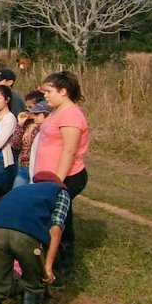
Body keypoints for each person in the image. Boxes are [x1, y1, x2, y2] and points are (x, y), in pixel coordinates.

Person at [0, 171, 71, 304]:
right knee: (33, 285)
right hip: (26, 236)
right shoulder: (60, 192)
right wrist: (48, 266)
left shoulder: (20, 190)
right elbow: (56, 230)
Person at [32, 71, 89, 287]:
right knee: (61, 219)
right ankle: (51, 262)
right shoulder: (57, 111)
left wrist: (58, 183)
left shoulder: (71, 116)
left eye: (48, 91)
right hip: (49, 178)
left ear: (63, 91)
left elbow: (69, 151)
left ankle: (61, 270)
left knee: (58, 221)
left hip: (65, 177)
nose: (45, 95)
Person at [10, 94, 47, 189]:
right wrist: (20, 125)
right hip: (23, 166)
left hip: (36, 168)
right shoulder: (26, 124)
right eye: (26, 107)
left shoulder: (43, 126)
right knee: (16, 193)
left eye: (30, 107)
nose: (28, 110)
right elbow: (15, 144)